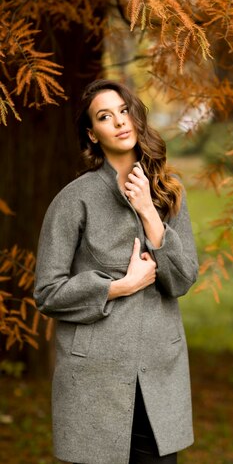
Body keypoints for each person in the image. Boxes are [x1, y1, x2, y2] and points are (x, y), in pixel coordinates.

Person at [34, 79, 199, 464]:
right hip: (95, 377)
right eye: (105, 117)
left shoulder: (169, 194)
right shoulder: (74, 199)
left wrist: (147, 210)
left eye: (125, 111)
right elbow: (47, 292)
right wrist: (119, 287)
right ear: (93, 134)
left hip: (160, 371)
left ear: (137, 118)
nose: (120, 122)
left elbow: (184, 278)